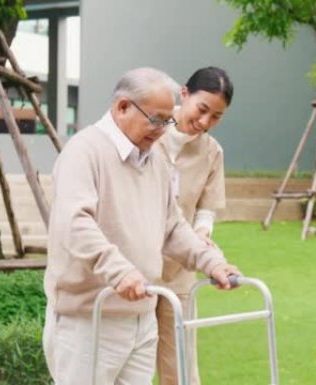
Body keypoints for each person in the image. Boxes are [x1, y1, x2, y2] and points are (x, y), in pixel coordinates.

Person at [42, 67, 241, 385]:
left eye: (166, 120)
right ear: (122, 107)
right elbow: (74, 224)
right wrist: (118, 270)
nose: (163, 129)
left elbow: (173, 227)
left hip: (141, 316)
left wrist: (211, 262)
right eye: (157, 119)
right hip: (91, 317)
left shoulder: (155, 161)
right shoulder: (84, 152)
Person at [154, 66, 233, 385]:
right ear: (184, 94)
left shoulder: (212, 152)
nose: (205, 122)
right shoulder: (149, 131)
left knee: (180, 365)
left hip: (179, 268)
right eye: (202, 110)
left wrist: (202, 235)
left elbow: (205, 208)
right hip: (134, 265)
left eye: (216, 117)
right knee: (131, 361)